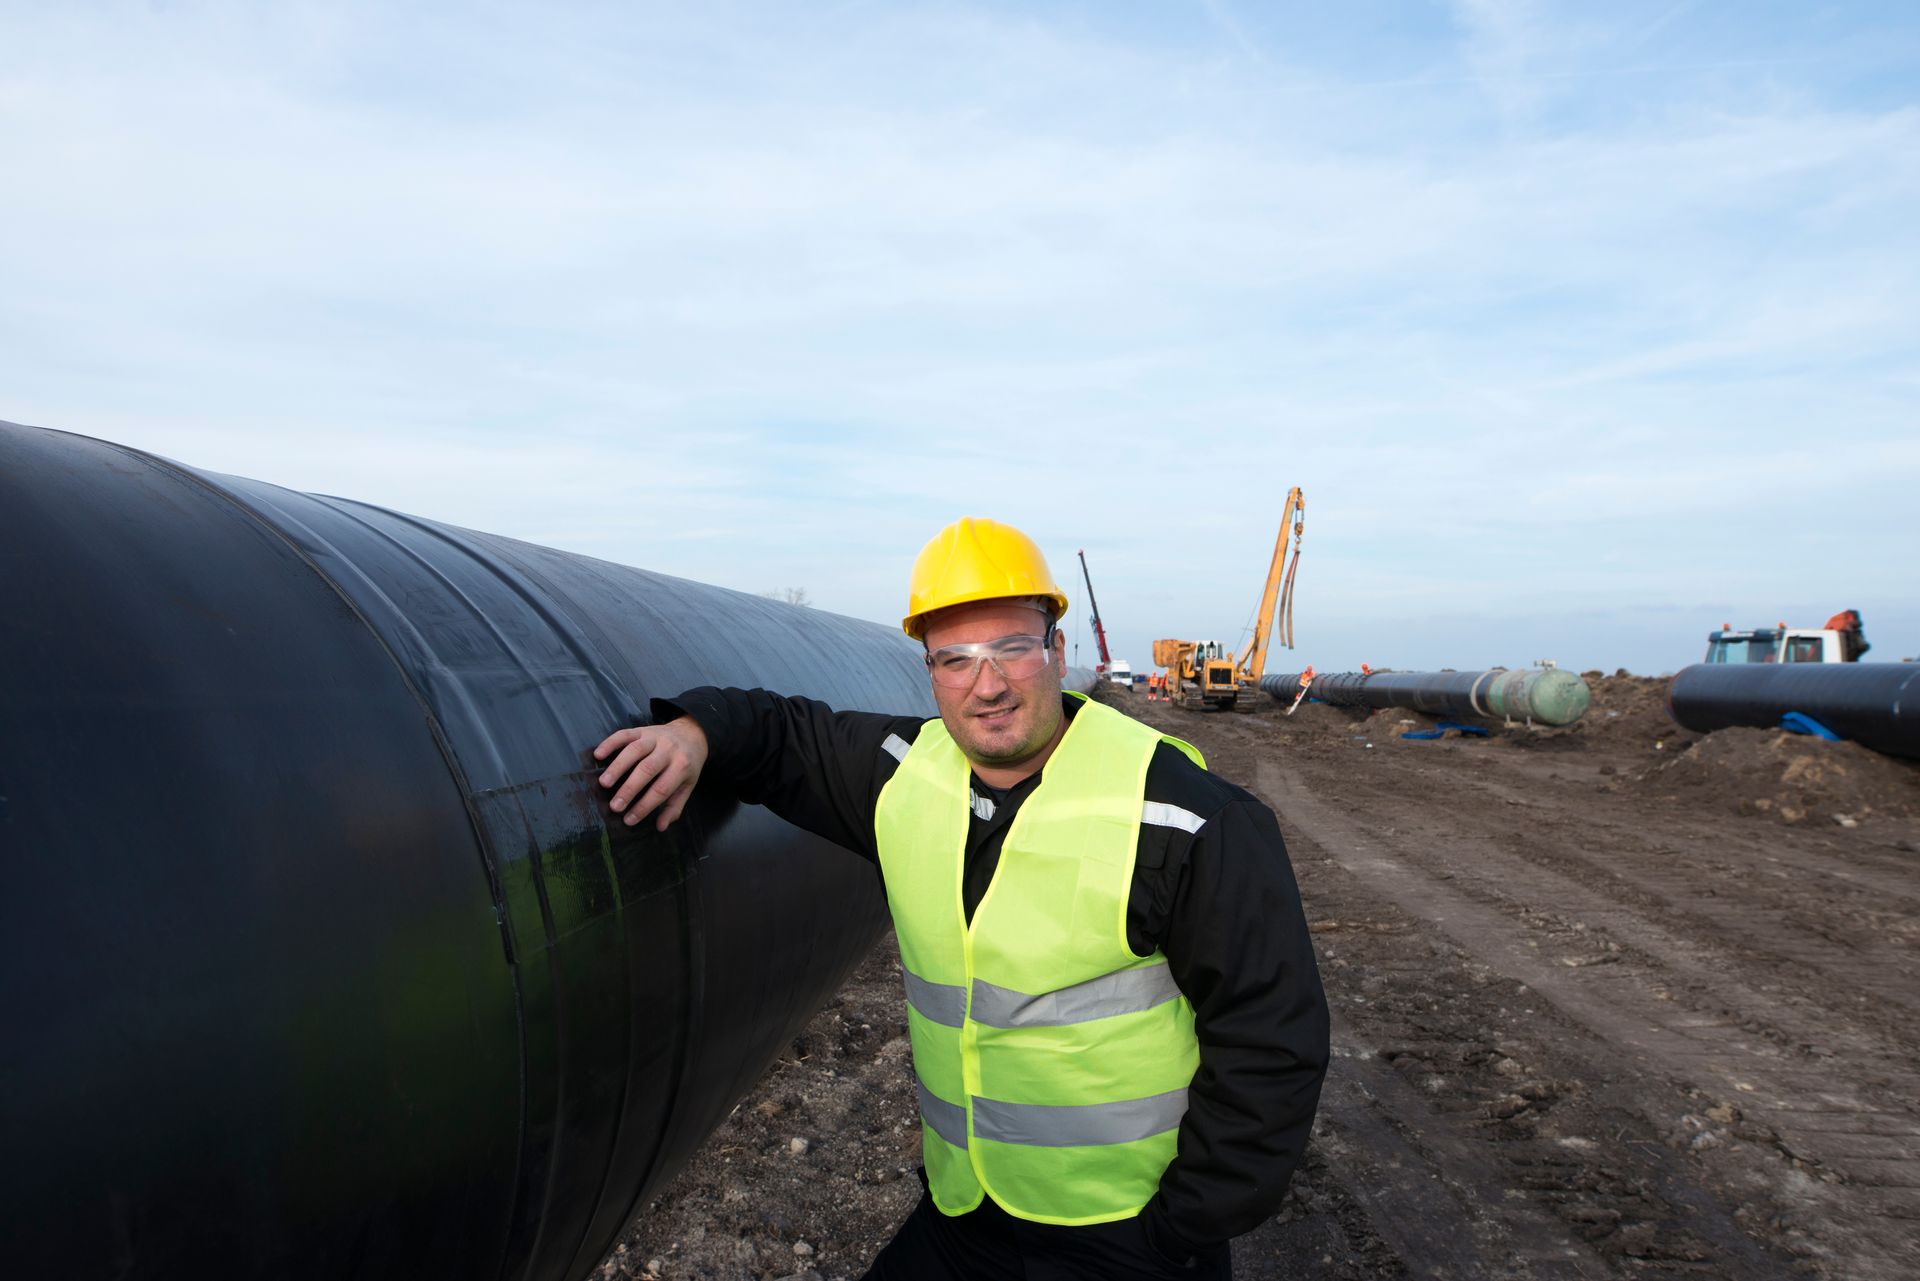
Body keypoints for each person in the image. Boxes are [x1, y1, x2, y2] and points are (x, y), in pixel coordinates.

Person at [593, 517, 1328, 1280]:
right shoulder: (904, 776)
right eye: (956, 658)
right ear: (930, 669)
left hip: (1124, 1234)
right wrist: (694, 732)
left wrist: (1182, 1229)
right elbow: (783, 735)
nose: (988, 683)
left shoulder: (1184, 815)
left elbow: (1272, 1041)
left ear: (1057, 652)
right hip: (966, 1210)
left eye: (1012, 647)